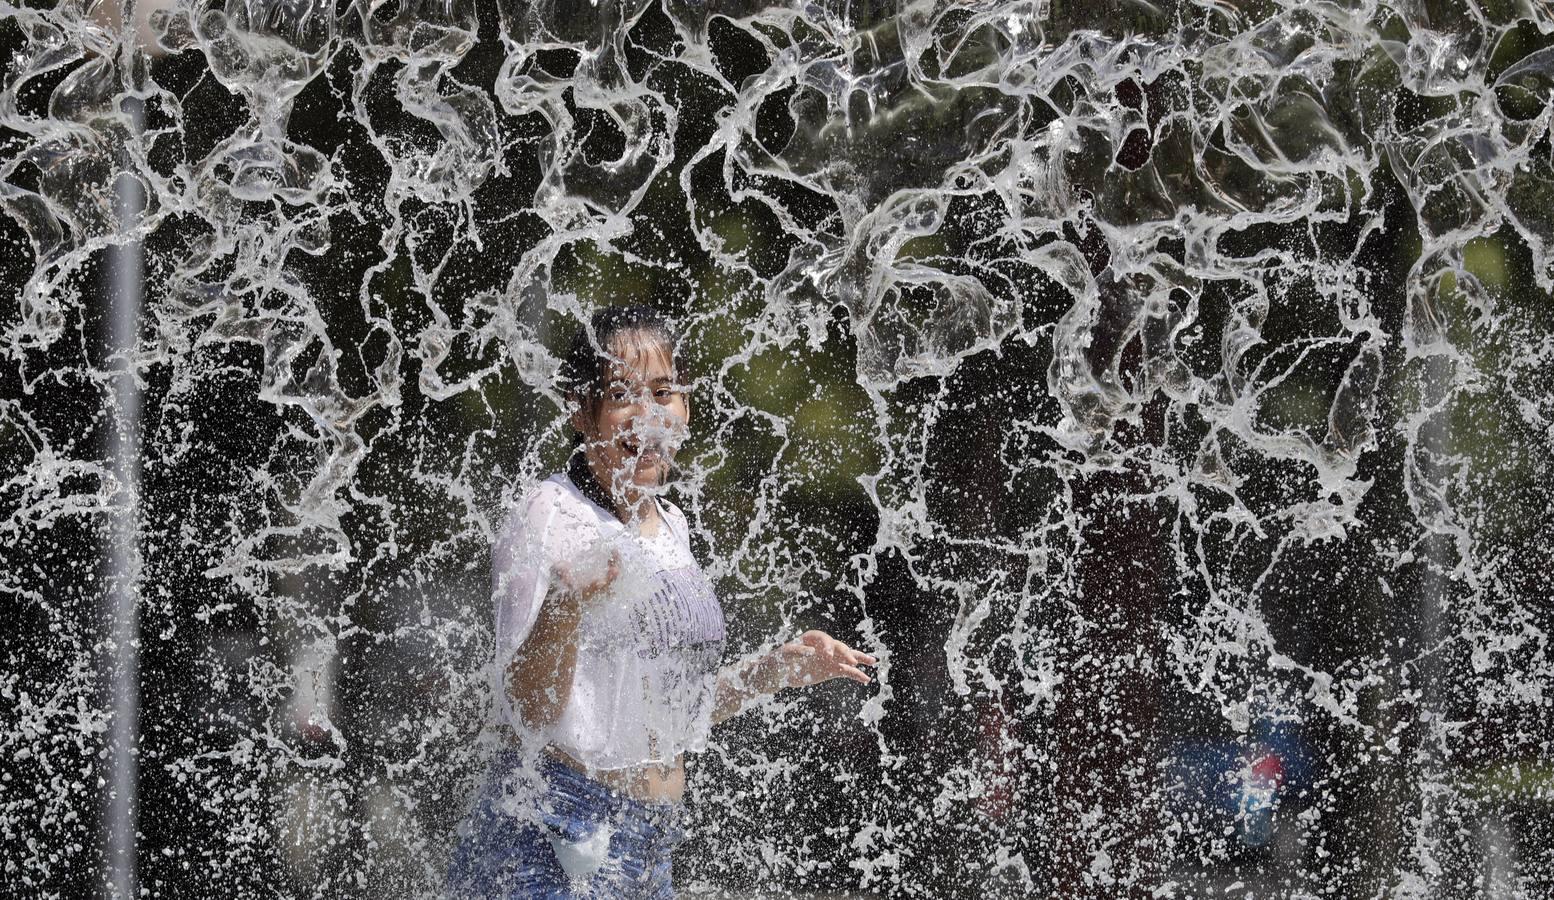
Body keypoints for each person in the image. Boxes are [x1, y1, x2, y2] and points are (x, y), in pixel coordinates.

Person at [449, 304, 879, 898]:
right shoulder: (550, 515)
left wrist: (776, 669)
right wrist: (567, 604)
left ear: (686, 408)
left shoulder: (670, 524)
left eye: (663, 392)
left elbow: (669, 713)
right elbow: (528, 706)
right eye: (622, 394)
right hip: (553, 835)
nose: (646, 415)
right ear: (582, 411)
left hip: (648, 844)